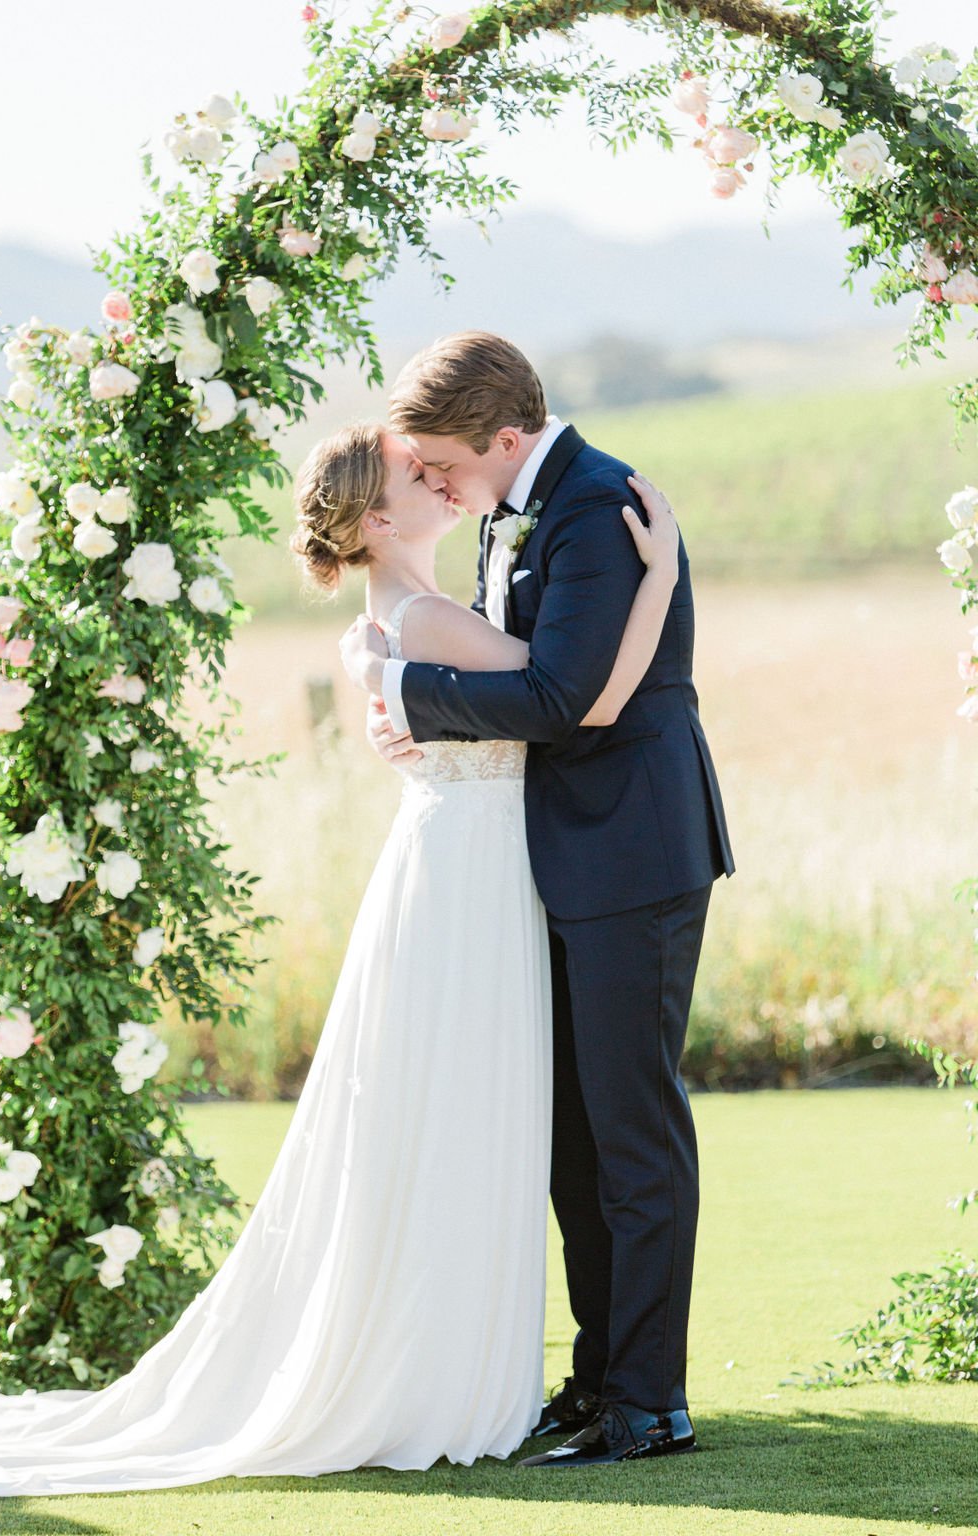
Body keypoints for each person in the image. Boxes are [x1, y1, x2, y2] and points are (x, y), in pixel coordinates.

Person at [0, 418, 680, 1496]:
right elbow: (585, 699)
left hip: (454, 869)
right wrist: (659, 577)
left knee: (441, 1116)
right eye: (416, 475)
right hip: (473, 880)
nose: (440, 479)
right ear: (380, 519)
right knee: (463, 1117)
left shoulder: (398, 618)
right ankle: (444, 1368)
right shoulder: (429, 614)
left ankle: (450, 1353)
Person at [340, 331, 734, 1469]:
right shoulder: (521, 508)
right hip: (552, 854)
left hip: (632, 854)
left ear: (505, 441)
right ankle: (600, 1376)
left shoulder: (599, 506)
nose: (439, 488)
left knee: (632, 1130)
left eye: (444, 466)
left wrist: (405, 688)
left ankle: (649, 1402)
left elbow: (566, 697)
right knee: (572, 1139)